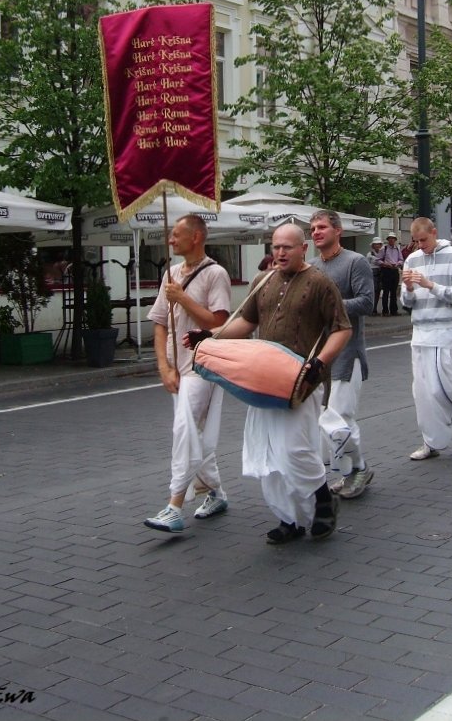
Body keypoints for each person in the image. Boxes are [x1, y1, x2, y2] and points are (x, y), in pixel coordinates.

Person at [208, 223, 352, 544]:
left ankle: (324, 499)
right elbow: (246, 321)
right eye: (276, 246)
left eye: (288, 247)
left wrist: (320, 363)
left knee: (294, 450)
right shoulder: (262, 281)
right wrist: (211, 336)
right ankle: (289, 519)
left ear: (304, 249)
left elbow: (342, 328)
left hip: (302, 382)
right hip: (264, 381)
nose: (281, 252)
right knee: (268, 455)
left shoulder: (320, 282)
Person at [143, 215, 232, 535]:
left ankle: (175, 504)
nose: (170, 239)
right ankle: (216, 493)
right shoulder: (171, 274)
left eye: (176, 234)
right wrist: (163, 367)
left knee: (184, 429)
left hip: (202, 364)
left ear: (196, 237)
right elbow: (159, 323)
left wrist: (183, 298)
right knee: (194, 431)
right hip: (176, 367)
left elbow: (218, 323)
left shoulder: (216, 273)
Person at [309, 210, 375, 500]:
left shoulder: (355, 262)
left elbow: (366, 302)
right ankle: (349, 472)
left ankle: (358, 468)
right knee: (328, 420)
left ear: (338, 230)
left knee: (340, 418)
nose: (315, 232)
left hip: (348, 354)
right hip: (318, 357)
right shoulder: (310, 267)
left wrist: (329, 306)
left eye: (322, 227)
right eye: (312, 228)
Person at [400, 217, 452, 460]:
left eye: (424, 239)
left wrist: (428, 284)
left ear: (434, 232)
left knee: (439, 386)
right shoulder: (412, 259)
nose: (420, 244)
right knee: (421, 392)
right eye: (416, 241)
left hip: (444, 331)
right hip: (420, 331)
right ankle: (430, 442)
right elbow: (406, 302)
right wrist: (410, 289)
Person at [377, 232, 404, 316]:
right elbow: (378, 260)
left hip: (394, 270)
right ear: (388, 240)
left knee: (393, 292)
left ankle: (393, 310)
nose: (391, 240)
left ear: (395, 240)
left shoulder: (397, 249)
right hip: (386, 270)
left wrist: (398, 263)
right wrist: (385, 264)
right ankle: (385, 311)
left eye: (393, 238)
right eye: (390, 238)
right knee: (386, 291)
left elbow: (401, 259)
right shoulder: (384, 249)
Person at [367, 238, 384, 315]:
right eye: (376, 244)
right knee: (373, 290)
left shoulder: (382, 253)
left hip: (380, 272)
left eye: (379, 244)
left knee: (378, 291)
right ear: (373, 246)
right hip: (372, 272)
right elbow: (375, 261)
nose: (377, 245)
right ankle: (371, 309)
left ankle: (375, 309)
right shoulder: (369, 254)